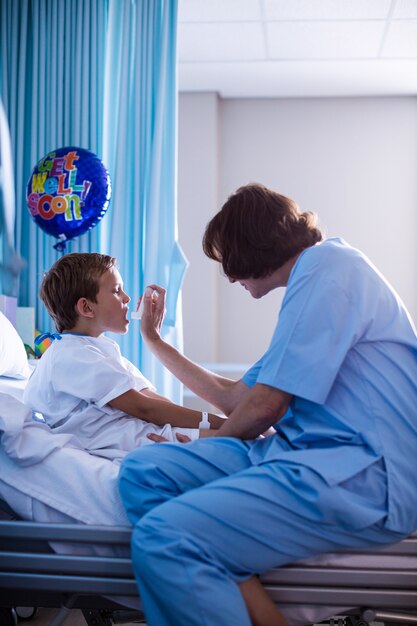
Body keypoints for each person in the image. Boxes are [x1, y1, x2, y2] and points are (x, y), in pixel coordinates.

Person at [118, 183, 417, 626]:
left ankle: (207, 558)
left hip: (366, 473)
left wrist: (209, 440)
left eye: (226, 259)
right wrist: (154, 341)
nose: (229, 274)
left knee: (165, 536)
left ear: (250, 245)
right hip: (305, 456)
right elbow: (239, 398)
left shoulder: (330, 266)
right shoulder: (313, 282)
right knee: (143, 472)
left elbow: (264, 408)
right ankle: (250, 599)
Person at [23, 253, 224, 461]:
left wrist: (213, 421)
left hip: (143, 431)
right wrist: (221, 423)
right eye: (116, 291)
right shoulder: (71, 355)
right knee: (238, 440)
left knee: (242, 434)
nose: (127, 298)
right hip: (133, 439)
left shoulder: (102, 349)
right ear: (86, 307)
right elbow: (144, 408)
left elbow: (151, 399)